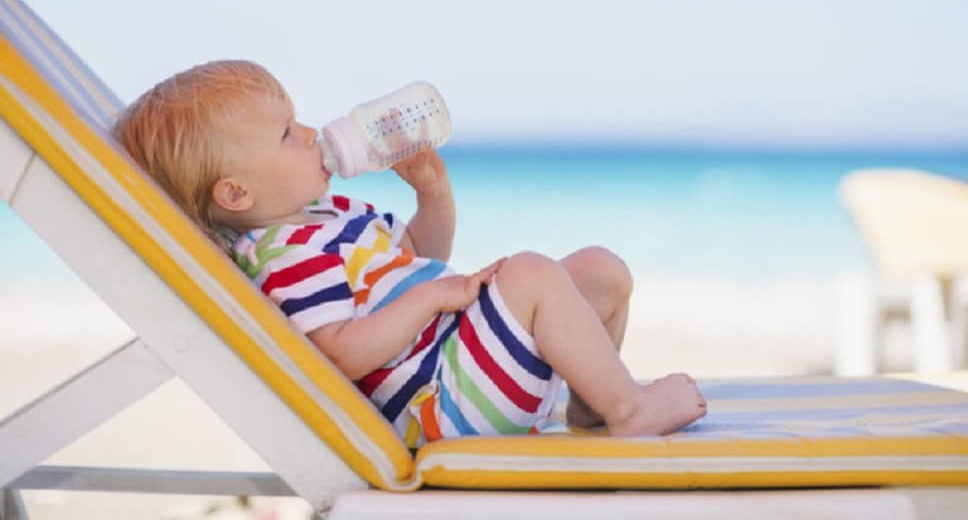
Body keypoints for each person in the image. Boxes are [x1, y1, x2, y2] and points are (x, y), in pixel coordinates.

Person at [113, 60, 706, 447]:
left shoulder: (332, 214)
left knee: (600, 270)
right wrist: (428, 300)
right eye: (288, 133)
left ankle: (592, 406)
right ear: (236, 193)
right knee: (530, 272)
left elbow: (425, 253)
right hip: (440, 402)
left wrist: (433, 194)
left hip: (463, 360)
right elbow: (341, 353)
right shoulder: (286, 256)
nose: (312, 133)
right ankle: (630, 412)